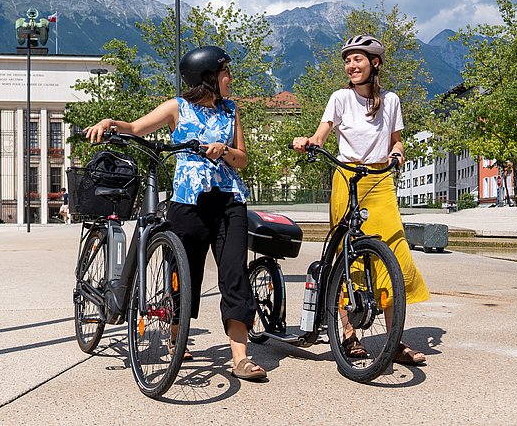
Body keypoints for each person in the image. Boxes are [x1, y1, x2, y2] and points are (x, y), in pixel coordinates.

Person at [85, 45, 266, 381]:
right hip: (188, 202)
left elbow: (242, 158)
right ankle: (176, 337)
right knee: (184, 275)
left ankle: (239, 356)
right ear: (208, 77)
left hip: (229, 201)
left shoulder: (231, 111)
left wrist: (224, 150)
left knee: (234, 276)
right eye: (226, 72)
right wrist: (110, 122)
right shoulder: (177, 108)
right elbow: (137, 128)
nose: (231, 78)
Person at [292, 35, 431, 365]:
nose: (351, 66)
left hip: (381, 180)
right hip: (347, 175)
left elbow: (397, 142)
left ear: (375, 63)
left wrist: (397, 154)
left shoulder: (391, 101)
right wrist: (308, 142)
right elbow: (321, 133)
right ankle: (349, 336)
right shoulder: (339, 98)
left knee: (394, 255)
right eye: (348, 60)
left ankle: (394, 340)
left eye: (358, 60)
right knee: (349, 256)